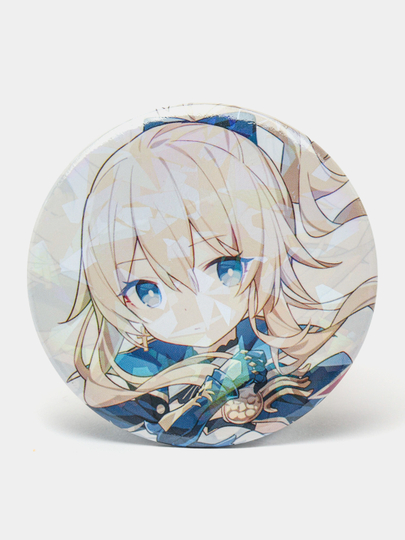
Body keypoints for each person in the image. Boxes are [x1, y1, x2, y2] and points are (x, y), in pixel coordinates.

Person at [66, 111, 377, 446]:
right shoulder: (138, 368)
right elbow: (149, 418)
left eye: (226, 269)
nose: (194, 308)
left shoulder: (273, 343)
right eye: (148, 291)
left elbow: (319, 369)